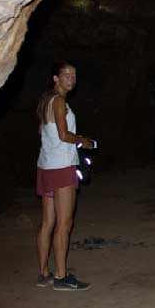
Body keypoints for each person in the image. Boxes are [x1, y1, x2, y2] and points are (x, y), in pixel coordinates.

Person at [35, 61, 95, 291]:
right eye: (67, 75)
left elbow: (44, 132)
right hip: (61, 167)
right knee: (64, 223)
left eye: (74, 75)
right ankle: (61, 276)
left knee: (48, 223)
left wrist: (73, 137)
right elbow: (62, 134)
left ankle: (44, 273)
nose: (72, 78)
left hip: (46, 166)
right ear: (55, 78)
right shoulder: (59, 101)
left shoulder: (45, 102)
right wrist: (82, 140)